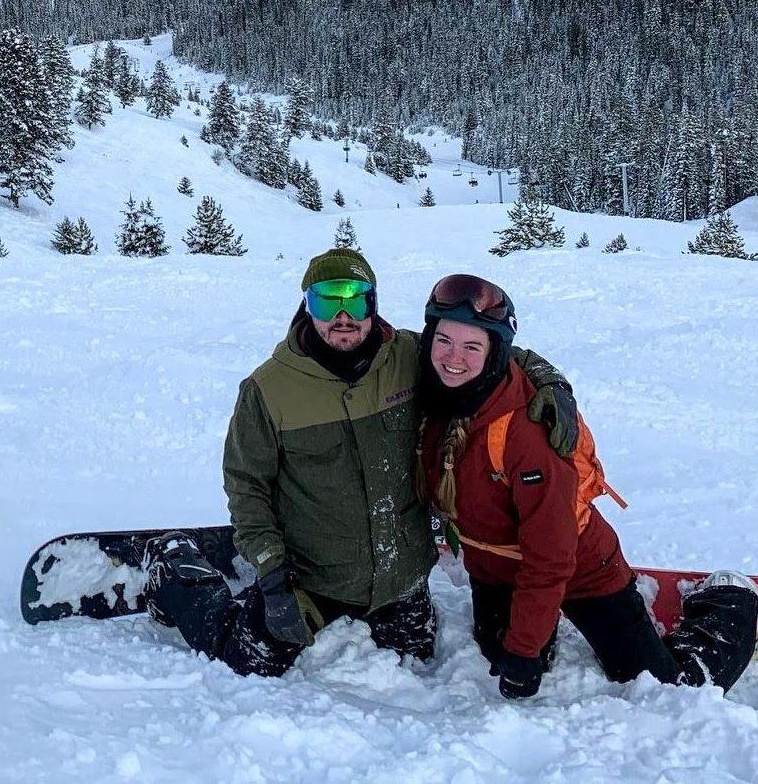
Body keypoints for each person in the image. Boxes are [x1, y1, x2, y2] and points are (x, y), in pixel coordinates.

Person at [140, 247, 581, 677]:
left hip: (398, 573)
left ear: (373, 303)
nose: (343, 315)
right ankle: (174, 572)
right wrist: (273, 574)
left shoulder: (408, 355)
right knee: (250, 659)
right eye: (327, 299)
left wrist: (552, 382)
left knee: (416, 655)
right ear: (307, 306)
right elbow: (246, 486)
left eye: (356, 298)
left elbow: (487, 351)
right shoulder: (268, 389)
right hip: (312, 574)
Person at [417, 271, 758, 698]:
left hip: (579, 567)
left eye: (471, 346)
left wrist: (527, 649)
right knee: (499, 652)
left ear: (496, 351)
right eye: (444, 341)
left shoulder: (526, 434)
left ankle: (736, 610)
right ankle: (541, 620)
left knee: (661, 686)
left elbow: (551, 557)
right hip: (497, 569)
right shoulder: (434, 392)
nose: (453, 357)